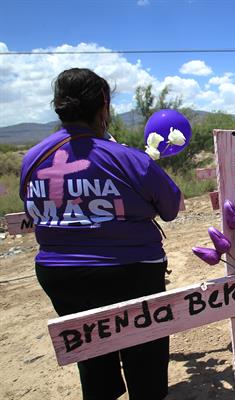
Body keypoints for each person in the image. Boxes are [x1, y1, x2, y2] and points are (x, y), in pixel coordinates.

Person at [20, 68, 181, 400]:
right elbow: (171, 206)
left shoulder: (33, 158)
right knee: (144, 356)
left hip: (59, 274)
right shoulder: (127, 158)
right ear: (104, 106)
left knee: (91, 355)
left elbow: (33, 211)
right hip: (131, 273)